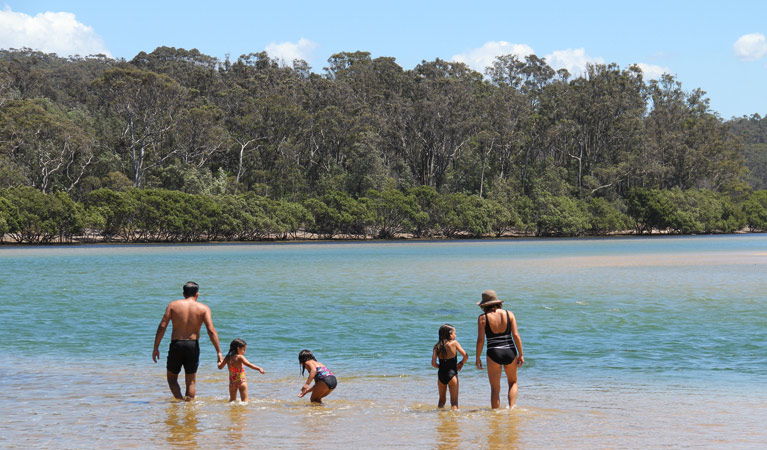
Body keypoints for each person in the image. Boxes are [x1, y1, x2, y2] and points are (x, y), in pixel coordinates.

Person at [152, 281, 223, 401]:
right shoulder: (203, 308)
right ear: (197, 294)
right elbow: (211, 330)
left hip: (177, 344)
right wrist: (218, 351)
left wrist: (156, 347)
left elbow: (162, 326)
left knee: (172, 379)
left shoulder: (173, 305)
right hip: (192, 345)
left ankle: (179, 401)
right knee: (191, 382)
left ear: (183, 293)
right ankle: (188, 408)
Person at [475, 289, 524, 409]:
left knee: (495, 388)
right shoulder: (509, 314)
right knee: (513, 382)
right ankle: (511, 409)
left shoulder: (483, 318)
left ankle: (495, 415)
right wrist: (521, 354)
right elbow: (516, 335)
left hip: (493, 352)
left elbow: (480, 340)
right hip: (510, 351)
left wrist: (477, 358)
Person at [431, 323, 468, 410]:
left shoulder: (437, 346)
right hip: (452, 375)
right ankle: (453, 421)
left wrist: (441, 367)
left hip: (441, 375)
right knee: (454, 402)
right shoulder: (454, 343)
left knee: (441, 401)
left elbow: (433, 363)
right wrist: (461, 363)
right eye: (455, 333)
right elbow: (466, 356)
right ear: (450, 333)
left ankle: (440, 418)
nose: (455, 335)